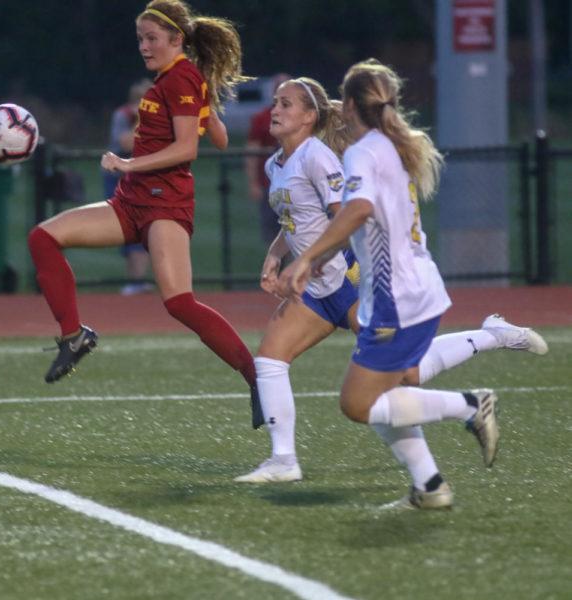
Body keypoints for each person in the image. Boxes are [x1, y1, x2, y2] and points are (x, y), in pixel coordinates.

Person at [234, 77, 550, 484]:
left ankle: (492, 340)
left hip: (350, 280)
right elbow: (297, 220)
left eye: (286, 103)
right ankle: (283, 459)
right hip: (318, 286)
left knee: (405, 378)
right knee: (271, 360)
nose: (275, 110)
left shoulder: (320, 156)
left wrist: (308, 260)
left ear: (311, 117)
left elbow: (344, 215)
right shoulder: (274, 162)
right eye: (275, 102)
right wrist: (277, 254)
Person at [28, 0, 263, 422]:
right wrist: (206, 102)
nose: (143, 46)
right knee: (43, 237)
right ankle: (73, 336)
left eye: (152, 38)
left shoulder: (180, 79)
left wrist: (128, 162)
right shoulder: (178, 79)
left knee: (179, 303)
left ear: (177, 39)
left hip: (163, 205)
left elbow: (188, 148)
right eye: (140, 38)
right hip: (131, 201)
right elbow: (221, 138)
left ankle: (257, 377)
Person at [104, 78, 154, 296]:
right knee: (126, 226)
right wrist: (141, 120)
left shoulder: (158, 118)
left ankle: (138, 280)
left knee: (145, 227)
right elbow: (126, 143)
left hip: (143, 176)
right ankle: (135, 279)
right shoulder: (123, 115)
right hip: (118, 177)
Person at [244, 73, 291, 246]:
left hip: (296, 184)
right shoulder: (262, 118)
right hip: (269, 185)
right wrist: (253, 183)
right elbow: (252, 152)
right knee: (272, 232)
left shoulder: (301, 119)